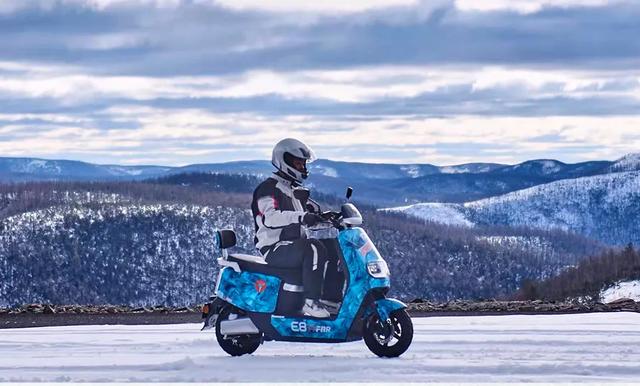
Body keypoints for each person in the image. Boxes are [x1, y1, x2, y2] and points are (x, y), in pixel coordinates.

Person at [251, 138, 332, 318]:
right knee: (313, 247)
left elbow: (301, 219)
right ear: (284, 160)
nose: (302, 168)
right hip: (274, 248)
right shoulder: (268, 189)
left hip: (293, 246)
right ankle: (311, 302)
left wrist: (325, 219)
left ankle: (332, 299)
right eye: (298, 163)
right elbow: (270, 218)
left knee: (333, 246)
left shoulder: (292, 190)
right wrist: (303, 216)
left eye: (303, 164)